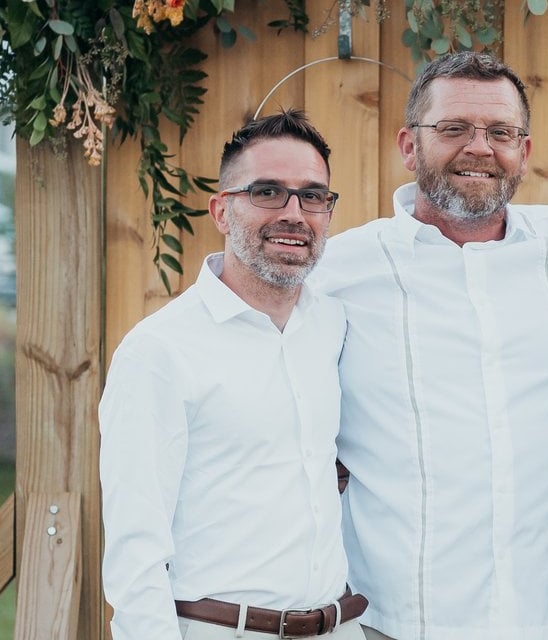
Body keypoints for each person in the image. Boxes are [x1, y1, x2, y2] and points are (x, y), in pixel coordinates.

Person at [309, 51, 548, 640]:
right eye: (453, 129)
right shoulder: (336, 274)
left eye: (500, 132)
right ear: (408, 145)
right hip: (393, 627)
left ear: (523, 151)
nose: (479, 147)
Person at [99, 110, 366, 640]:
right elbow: (135, 551)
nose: (295, 212)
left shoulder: (332, 324)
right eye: (267, 192)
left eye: (313, 196)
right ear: (222, 210)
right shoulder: (159, 351)